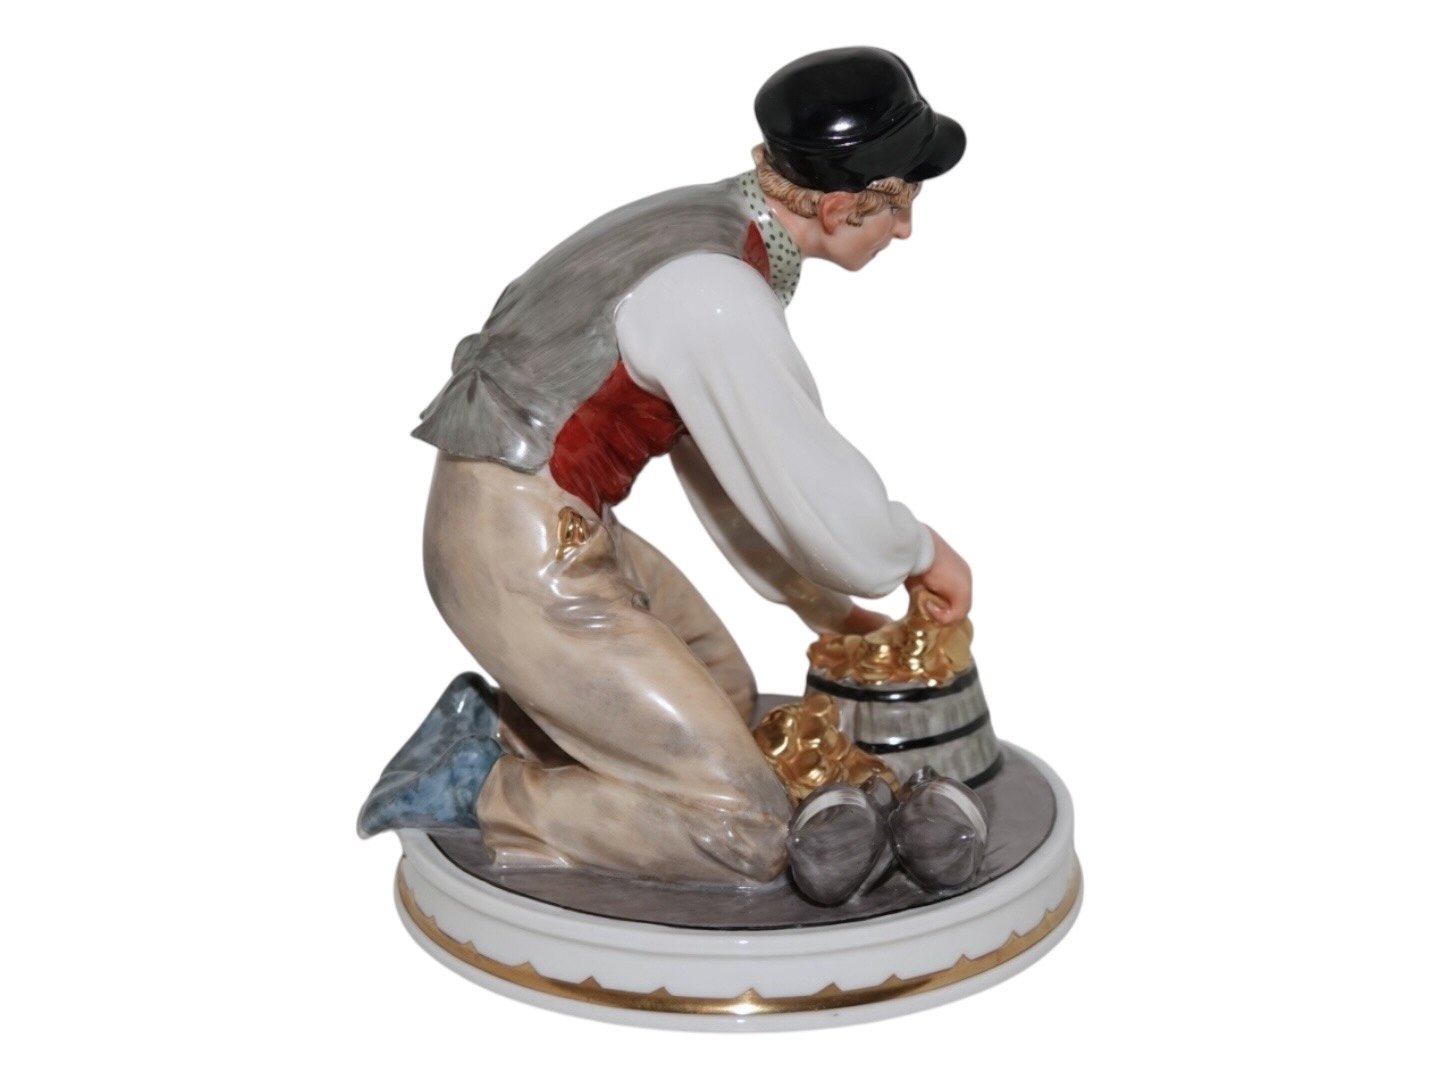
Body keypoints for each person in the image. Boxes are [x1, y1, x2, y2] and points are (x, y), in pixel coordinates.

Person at [359, 47, 973, 887]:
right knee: (748, 829)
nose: (904, 230)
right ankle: (479, 785)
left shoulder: (704, 228)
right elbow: (807, 482)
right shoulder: (716, 293)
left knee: (724, 696)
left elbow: (731, 471)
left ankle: (506, 727)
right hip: (515, 548)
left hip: (544, 519)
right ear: (838, 207)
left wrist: (826, 610)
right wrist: (916, 553)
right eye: (898, 205)